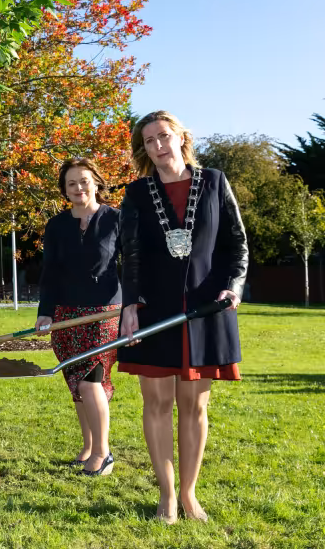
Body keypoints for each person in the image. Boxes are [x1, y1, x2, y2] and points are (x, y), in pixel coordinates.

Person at [118, 111, 248, 523]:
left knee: (193, 406)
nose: (158, 145)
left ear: (180, 137)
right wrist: (130, 306)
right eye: (149, 140)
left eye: (164, 136)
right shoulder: (136, 193)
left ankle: (190, 495)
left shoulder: (215, 182)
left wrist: (234, 287)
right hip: (154, 310)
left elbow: (237, 245)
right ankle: (167, 496)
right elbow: (130, 256)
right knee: (156, 403)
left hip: (207, 309)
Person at [36, 157, 121, 476]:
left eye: (84, 181)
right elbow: (50, 273)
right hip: (65, 315)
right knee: (77, 382)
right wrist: (46, 312)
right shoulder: (56, 226)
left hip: (104, 313)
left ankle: (103, 452)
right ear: (65, 190)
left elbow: (134, 265)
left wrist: (135, 306)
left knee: (90, 380)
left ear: (96, 183)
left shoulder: (116, 219)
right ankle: (88, 447)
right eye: (71, 183)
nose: (78, 188)